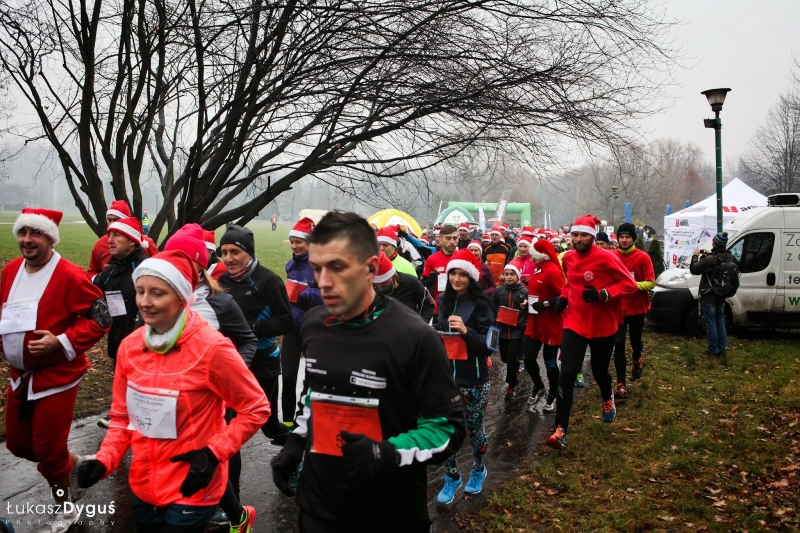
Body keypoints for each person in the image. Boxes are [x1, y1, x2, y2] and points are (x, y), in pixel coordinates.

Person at [271, 211, 465, 533]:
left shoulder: (415, 336)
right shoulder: (315, 324)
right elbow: (315, 392)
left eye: (337, 267)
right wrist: (296, 441)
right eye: (317, 268)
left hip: (388, 511)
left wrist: (385, 453)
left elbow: (448, 427)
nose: (322, 282)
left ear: (371, 268)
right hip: (319, 505)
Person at [77, 250, 270, 533]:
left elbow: (256, 408)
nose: (144, 301)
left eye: (157, 293)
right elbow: (121, 417)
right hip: (144, 482)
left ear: (182, 297)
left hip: (193, 483)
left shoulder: (212, 347)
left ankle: (239, 517)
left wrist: (214, 453)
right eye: (140, 290)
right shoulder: (130, 348)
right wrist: (105, 459)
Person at [2, 208, 111, 531]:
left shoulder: (71, 275)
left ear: (50, 237)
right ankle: (75, 463)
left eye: (36, 233)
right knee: (19, 446)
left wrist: (61, 342)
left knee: (49, 453)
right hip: (19, 376)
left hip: (57, 378)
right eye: (23, 233)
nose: (27, 240)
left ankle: (65, 508)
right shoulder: (10, 271)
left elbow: (102, 318)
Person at [164, 224, 259, 530]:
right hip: (169, 397)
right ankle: (233, 514)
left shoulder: (220, 302)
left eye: (180, 257)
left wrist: (230, 379)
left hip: (212, 398)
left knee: (216, 451)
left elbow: (248, 341)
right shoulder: (160, 296)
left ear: (197, 263)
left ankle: (235, 512)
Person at [546, 215, 637, 450]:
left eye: (583, 235)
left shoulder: (607, 257)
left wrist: (602, 294)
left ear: (593, 237)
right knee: (567, 372)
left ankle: (608, 397)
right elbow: (570, 284)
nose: (578, 239)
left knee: (599, 371)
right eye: (575, 235)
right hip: (574, 322)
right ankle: (560, 429)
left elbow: (630, 284)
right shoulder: (567, 258)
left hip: (602, 325)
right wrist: (562, 299)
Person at [218, 225, 295, 445]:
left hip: (263, 362)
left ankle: (296, 454)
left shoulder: (268, 280)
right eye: (224, 253)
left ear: (249, 253)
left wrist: (248, 328)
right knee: (227, 423)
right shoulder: (222, 281)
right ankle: (228, 477)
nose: (229, 258)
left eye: (235, 252)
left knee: (268, 424)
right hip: (232, 361)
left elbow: (286, 323)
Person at [432, 248, 494, 505]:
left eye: (462, 274)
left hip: (474, 379)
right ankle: (451, 476)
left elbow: (489, 345)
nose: (456, 279)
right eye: (452, 273)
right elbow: (436, 326)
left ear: (471, 277)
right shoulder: (443, 301)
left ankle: (479, 468)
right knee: (446, 429)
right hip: (446, 379)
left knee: (473, 429)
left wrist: (466, 331)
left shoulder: (482, 304)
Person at [93, 217, 150, 429]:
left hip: (145, 344)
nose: (110, 240)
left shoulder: (145, 268)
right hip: (118, 341)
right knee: (122, 380)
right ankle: (122, 418)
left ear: (133, 241)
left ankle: (128, 419)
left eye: (117, 235)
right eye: (109, 235)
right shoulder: (109, 271)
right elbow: (90, 293)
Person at [283, 218, 323, 423]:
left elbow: (326, 295)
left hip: (313, 330)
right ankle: (288, 423)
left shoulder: (318, 265)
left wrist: (308, 294)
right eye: (292, 241)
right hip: (291, 328)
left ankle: (304, 421)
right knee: (288, 377)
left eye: (299, 242)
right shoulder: (290, 265)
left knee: (311, 380)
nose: (294, 245)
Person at [612, 223, 656, 398]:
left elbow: (651, 282)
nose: (624, 240)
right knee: (619, 344)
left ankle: (637, 360)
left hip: (637, 307)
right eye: (621, 237)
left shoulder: (643, 257)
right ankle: (621, 384)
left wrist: (632, 286)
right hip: (618, 309)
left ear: (633, 238)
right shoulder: (612, 256)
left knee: (636, 342)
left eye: (627, 237)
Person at [524, 240, 566, 412]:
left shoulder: (553, 271)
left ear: (540, 254)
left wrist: (545, 304)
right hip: (534, 322)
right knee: (528, 358)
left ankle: (553, 394)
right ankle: (539, 385)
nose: (530, 257)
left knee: (550, 362)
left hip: (550, 324)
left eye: (533, 254)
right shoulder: (538, 268)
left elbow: (564, 297)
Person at [690, 232, 735, 357]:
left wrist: (695, 256)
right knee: (720, 321)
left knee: (711, 323)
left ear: (714, 243)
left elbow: (694, 269)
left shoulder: (711, 259)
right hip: (721, 294)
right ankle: (722, 349)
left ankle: (713, 351)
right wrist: (709, 254)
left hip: (709, 294)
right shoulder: (728, 257)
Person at [88, 200, 157, 277]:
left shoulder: (145, 243)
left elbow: (158, 267)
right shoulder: (99, 244)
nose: (111, 224)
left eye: (116, 220)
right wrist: (103, 281)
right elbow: (92, 271)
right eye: (109, 220)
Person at [491, 260, 528, 400]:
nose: (509, 277)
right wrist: (495, 318)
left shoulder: (524, 292)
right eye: (506, 274)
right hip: (502, 329)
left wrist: (523, 322)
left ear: (518, 276)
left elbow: (529, 312)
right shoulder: (499, 290)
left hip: (517, 331)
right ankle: (514, 367)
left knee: (512, 359)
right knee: (505, 357)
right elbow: (493, 305)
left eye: (512, 274)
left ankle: (511, 386)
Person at [374, 251, 435, 323]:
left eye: (384, 282)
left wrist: (421, 326)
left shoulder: (410, 282)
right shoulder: (369, 287)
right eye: (376, 283)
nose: (380, 286)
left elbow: (429, 306)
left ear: (392, 275)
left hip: (409, 329)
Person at [421, 223, 459, 313]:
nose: (452, 242)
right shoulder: (432, 259)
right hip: (439, 309)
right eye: (448, 238)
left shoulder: (464, 257)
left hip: (460, 309)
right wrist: (431, 279)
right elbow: (423, 286)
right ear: (441, 240)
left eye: (455, 238)